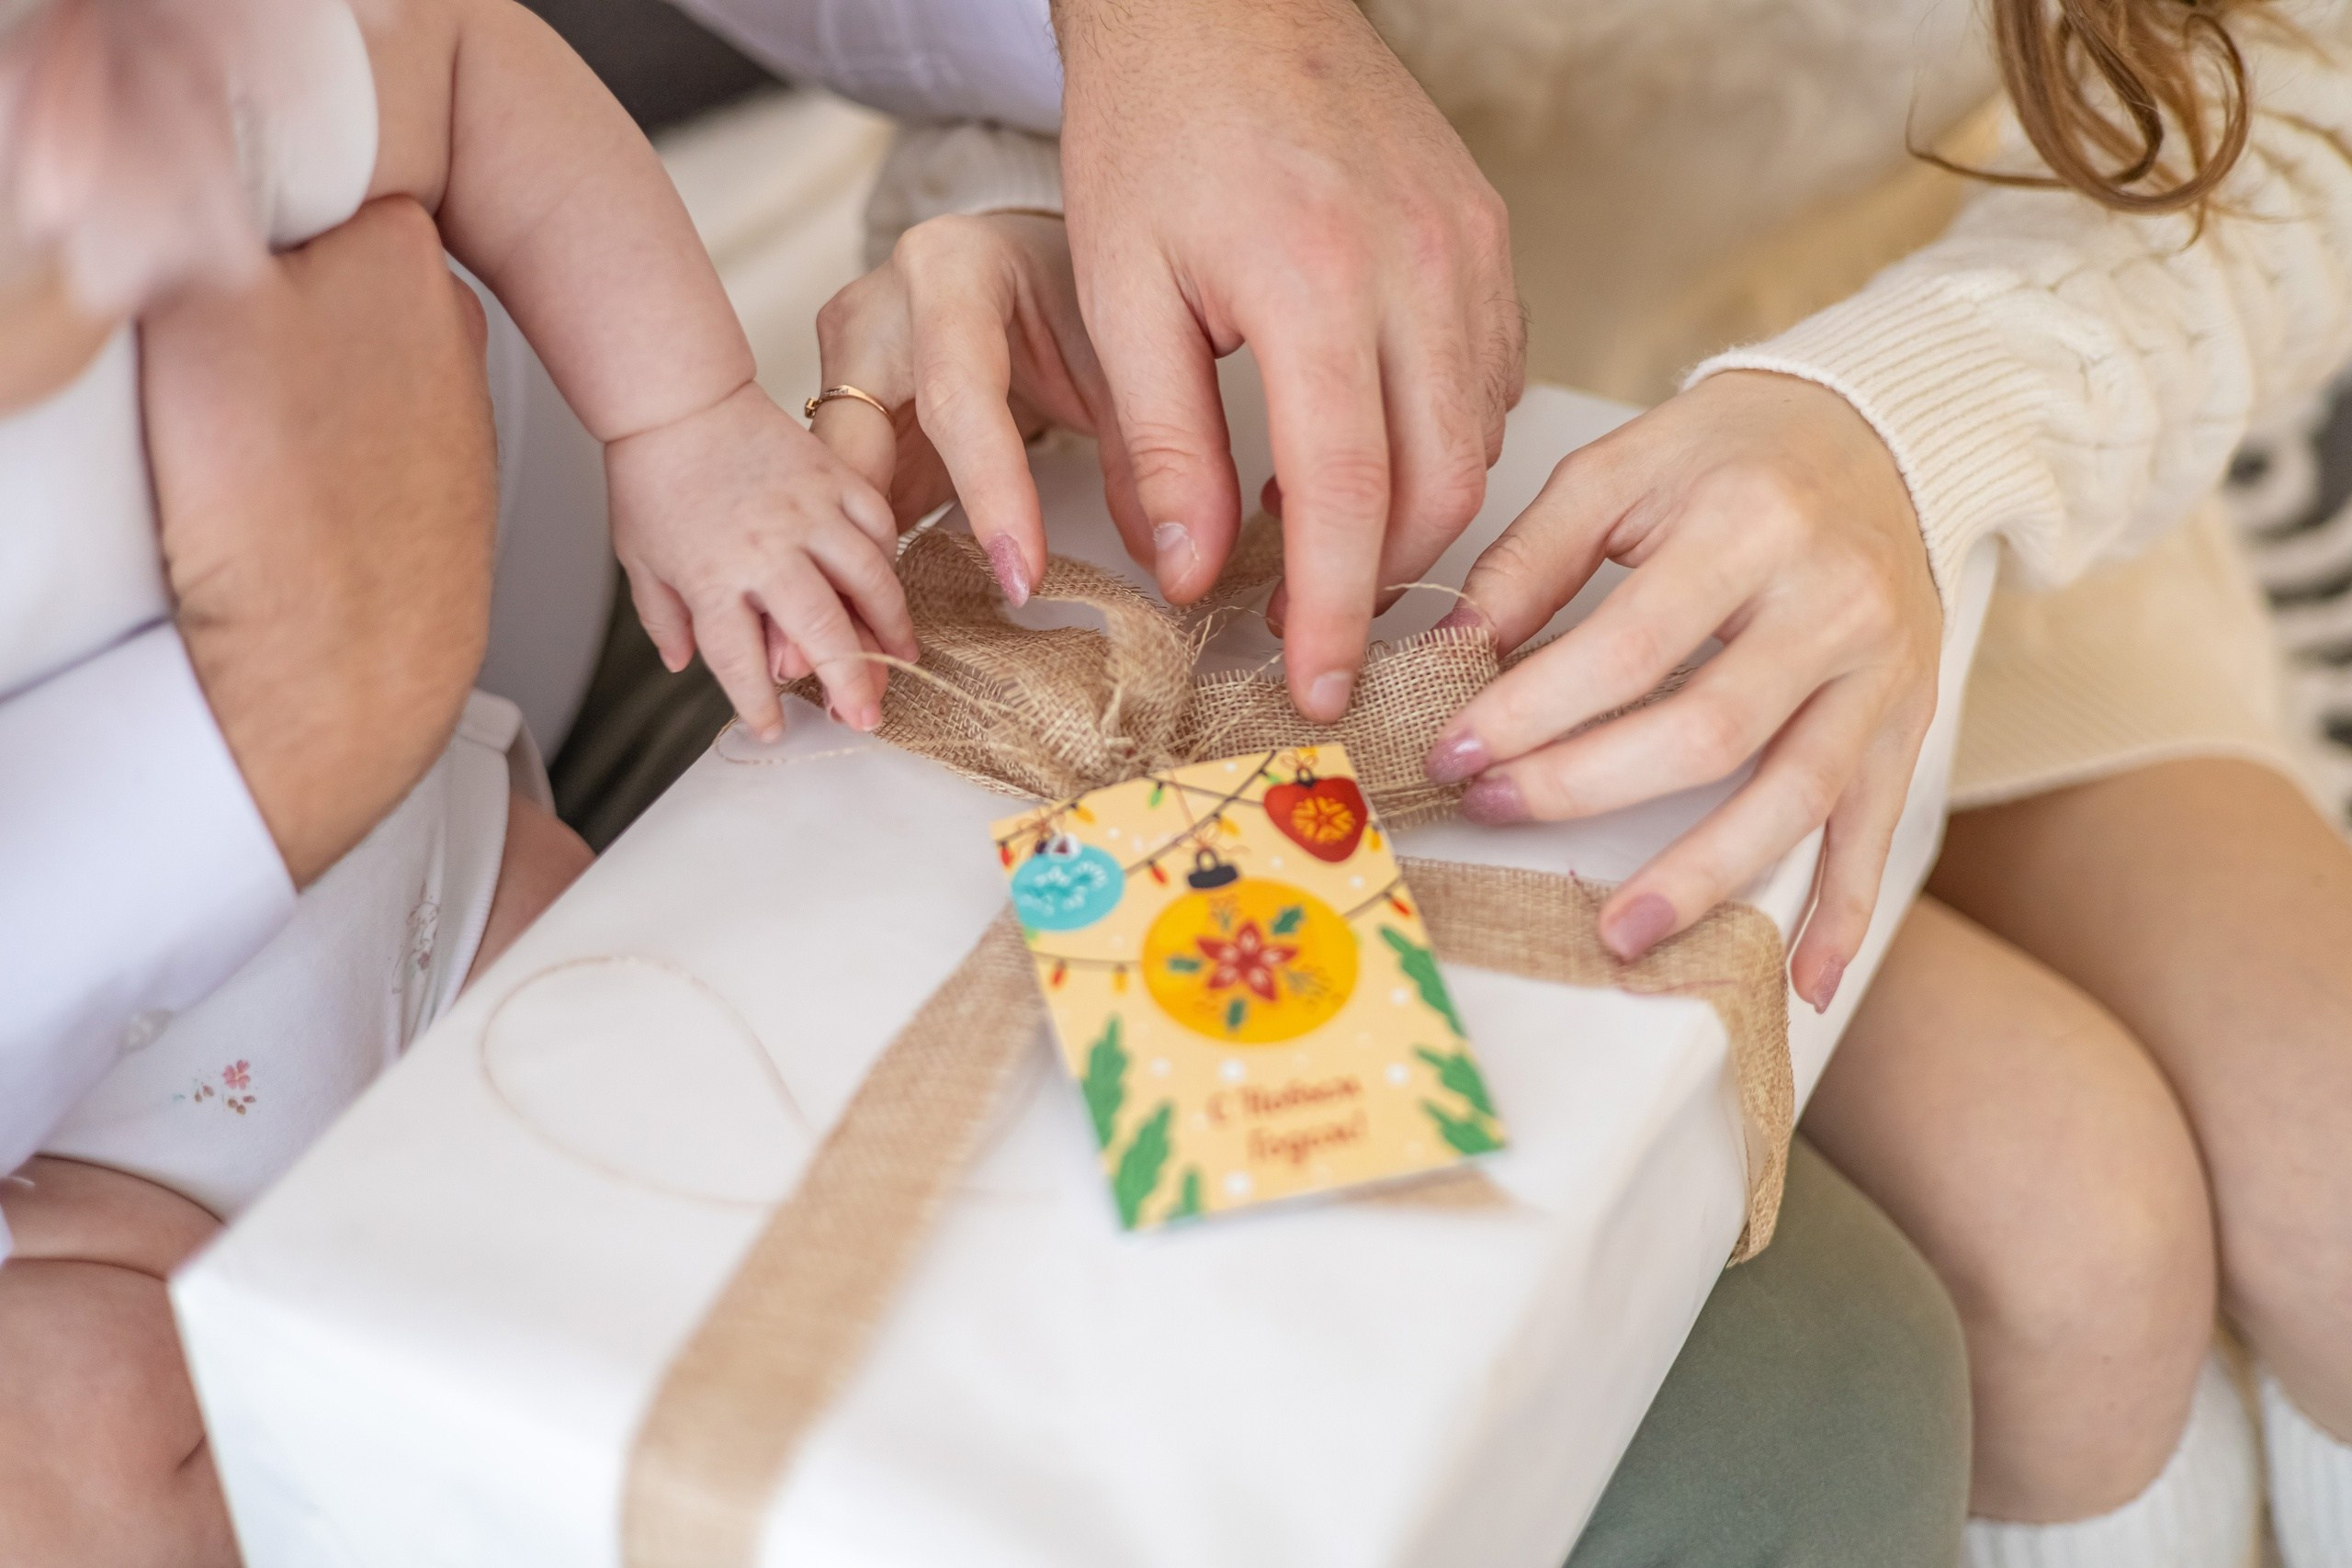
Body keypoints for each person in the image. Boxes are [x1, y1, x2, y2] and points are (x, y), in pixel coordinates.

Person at [681, 2, 1975, 1562]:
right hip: (1298, 422)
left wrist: (1910, 429)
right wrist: (1076, 185)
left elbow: (2282, 130)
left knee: (2115, 1255)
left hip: (1891, 450)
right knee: (2055, 1250)